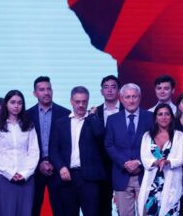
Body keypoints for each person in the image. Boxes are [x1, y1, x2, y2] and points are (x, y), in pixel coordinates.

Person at [49, 86, 106, 216]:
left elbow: (99, 135)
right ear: (71, 101)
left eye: (84, 101)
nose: (81, 105)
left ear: (88, 101)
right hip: (67, 177)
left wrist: (92, 116)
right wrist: (61, 167)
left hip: (89, 179)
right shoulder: (60, 123)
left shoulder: (95, 120)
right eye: (77, 101)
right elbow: (54, 149)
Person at [105, 83, 153, 216]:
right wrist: (125, 163)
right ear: (121, 99)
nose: (131, 100)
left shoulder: (150, 117)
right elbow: (109, 145)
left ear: (140, 98)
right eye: (127, 97)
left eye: (134, 96)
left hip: (145, 174)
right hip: (121, 175)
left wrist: (138, 162)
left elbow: (155, 144)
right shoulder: (112, 120)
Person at [26, 75, 70, 216]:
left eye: (48, 89)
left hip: (58, 170)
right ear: (35, 93)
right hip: (34, 170)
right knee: (32, 210)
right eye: (42, 89)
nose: (46, 92)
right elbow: (24, 146)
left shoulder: (65, 113)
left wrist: (55, 163)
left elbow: (67, 145)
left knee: (61, 210)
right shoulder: (27, 115)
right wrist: (39, 163)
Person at [0, 90, 40, 216]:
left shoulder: (29, 124)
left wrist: (25, 173)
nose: (16, 106)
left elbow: (34, 151)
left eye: (19, 103)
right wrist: (10, 173)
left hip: (26, 178)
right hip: (4, 176)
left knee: (25, 212)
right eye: (12, 102)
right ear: (6, 104)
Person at [138, 104, 183, 215]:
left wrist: (167, 162)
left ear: (171, 117)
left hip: (171, 186)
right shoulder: (147, 136)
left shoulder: (179, 136)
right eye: (160, 114)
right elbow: (145, 159)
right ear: (155, 118)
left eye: (167, 114)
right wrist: (156, 162)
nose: (163, 117)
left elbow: (180, 159)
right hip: (152, 186)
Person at [94, 74, 122, 215]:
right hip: (101, 166)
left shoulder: (127, 110)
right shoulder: (94, 112)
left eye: (113, 87)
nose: (109, 90)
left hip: (122, 164)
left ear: (119, 90)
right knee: (103, 206)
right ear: (101, 91)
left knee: (124, 206)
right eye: (106, 87)